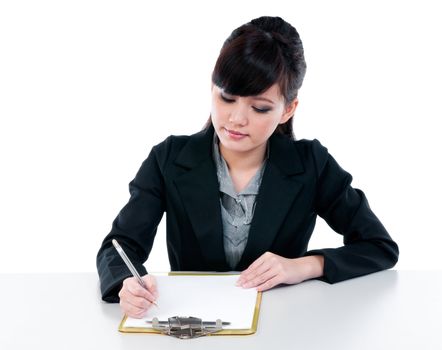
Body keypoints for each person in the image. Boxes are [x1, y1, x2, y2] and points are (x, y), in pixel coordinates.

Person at [96, 16, 399, 319]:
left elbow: (379, 246)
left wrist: (302, 266)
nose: (236, 119)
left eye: (260, 107)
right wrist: (127, 283)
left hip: (282, 325)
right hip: (192, 327)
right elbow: (119, 247)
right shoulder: (168, 159)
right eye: (227, 98)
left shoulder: (311, 164)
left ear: (288, 109)